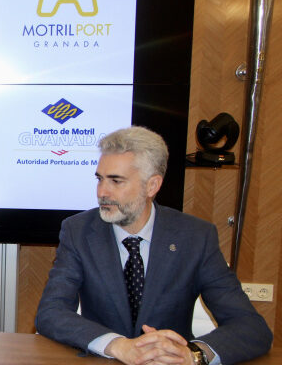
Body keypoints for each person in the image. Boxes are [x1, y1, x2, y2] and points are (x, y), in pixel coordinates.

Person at [35, 126, 272, 365]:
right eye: (100, 179)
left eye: (116, 181)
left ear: (152, 185)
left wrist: (193, 354)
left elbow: (251, 327)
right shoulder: (78, 231)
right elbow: (51, 312)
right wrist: (118, 345)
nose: (102, 192)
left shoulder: (195, 237)